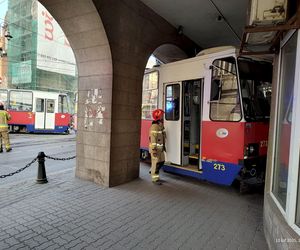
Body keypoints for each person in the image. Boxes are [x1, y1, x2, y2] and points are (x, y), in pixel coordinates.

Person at [149, 108, 166, 184]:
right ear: (158, 117)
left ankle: (155, 175)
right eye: (161, 115)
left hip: (160, 149)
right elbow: (153, 139)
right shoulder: (154, 127)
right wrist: (154, 150)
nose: (163, 117)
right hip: (155, 150)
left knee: (161, 162)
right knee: (156, 164)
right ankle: (155, 179)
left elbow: (162, 137)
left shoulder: (160, 126)